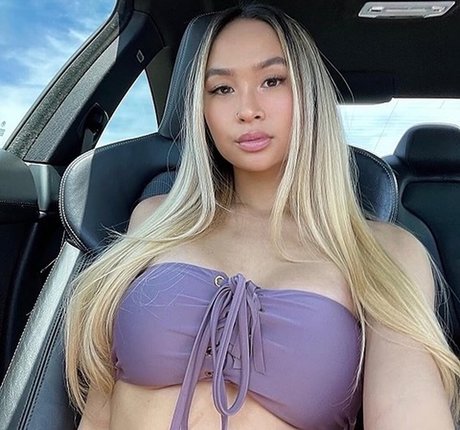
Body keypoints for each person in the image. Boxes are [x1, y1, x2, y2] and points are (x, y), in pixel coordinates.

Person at [65, 4, 460, 429]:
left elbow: (408, 407)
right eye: (222, 88)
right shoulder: (156, 218)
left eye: (272, 80)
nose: (247, 109)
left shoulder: (386, 251)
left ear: (308, 95)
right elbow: (101, 403)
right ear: (202, 111)